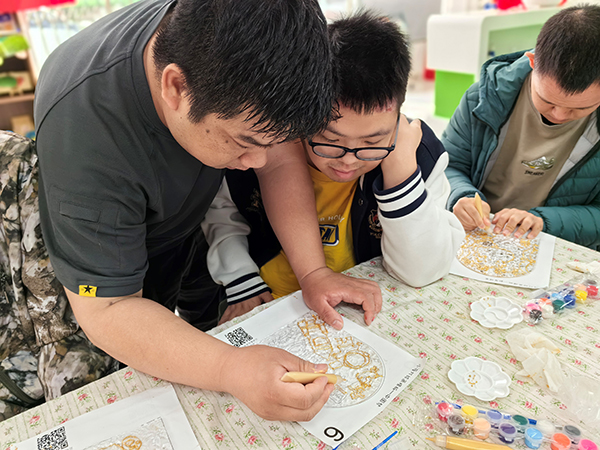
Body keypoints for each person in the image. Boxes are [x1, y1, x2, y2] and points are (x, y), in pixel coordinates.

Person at [33, 0, 382, 421]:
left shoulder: (239, 42)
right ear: (176, 88)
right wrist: (230, 367)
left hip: (192, 224)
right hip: (115, 245)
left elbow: (278, 152)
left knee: (202, 322)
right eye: (244, 142)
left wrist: (313, 272)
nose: (259, 163)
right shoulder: (86, 138)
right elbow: (107, 309)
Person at [203, 12, 465, 304]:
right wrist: (241, 280)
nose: (349, 160)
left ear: (399, 117)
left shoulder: (419, 153)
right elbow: (223, 216)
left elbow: (421, 271)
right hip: (267, 299)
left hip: (357, 303)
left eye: (372, 141)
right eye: (331, 140)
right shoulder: (262, 145)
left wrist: (401, 171)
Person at [443, 5, 600, 249]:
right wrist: (459, 196)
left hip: (557, 245)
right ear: (533, 62)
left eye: (578, 109)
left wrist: (544, 221)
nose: (559, 115)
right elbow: (448, 164)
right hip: (477, 234)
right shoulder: (483, 98)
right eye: (547, 100)